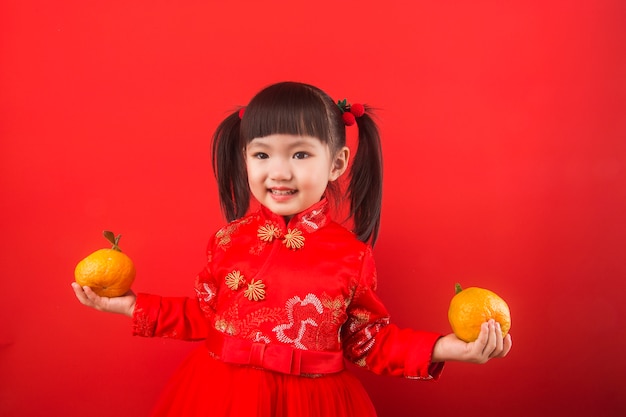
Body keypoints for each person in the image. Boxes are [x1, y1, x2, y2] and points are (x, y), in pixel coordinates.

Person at [71, 81, 512, 417]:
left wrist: (446, 348)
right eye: (262, 155)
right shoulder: (226, 241)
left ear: (336, 163)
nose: (278, 172)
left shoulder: (350, 255)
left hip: (315, 402)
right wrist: (132, 307)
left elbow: (367, 340)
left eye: (300, 155)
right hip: (219, 397)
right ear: (244, 159)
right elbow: (205, 316)